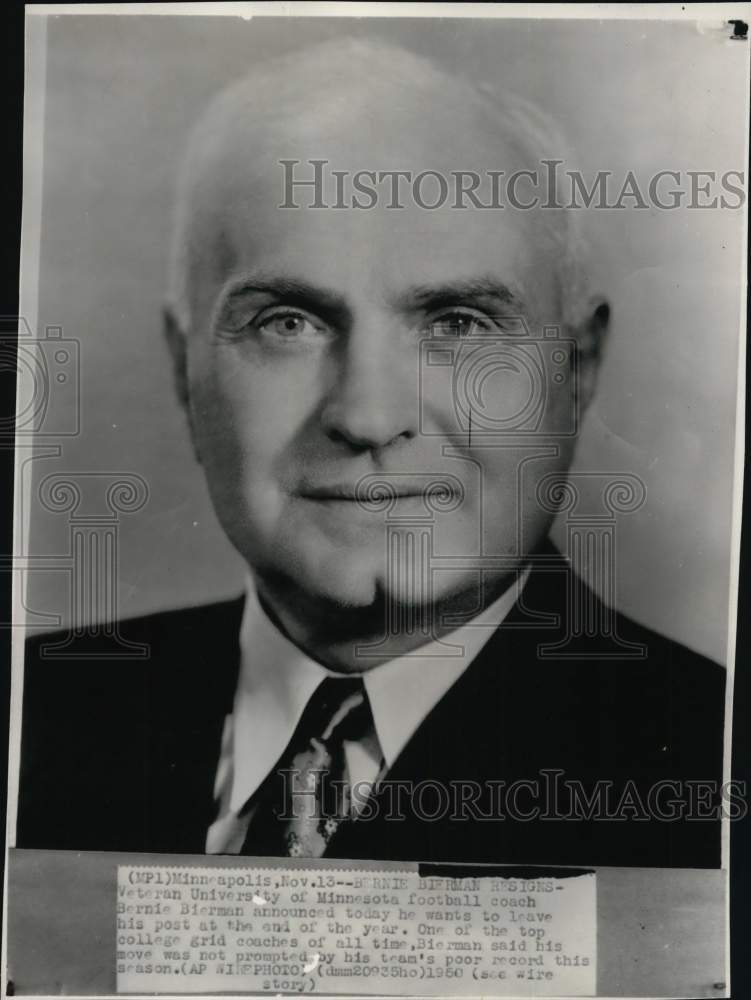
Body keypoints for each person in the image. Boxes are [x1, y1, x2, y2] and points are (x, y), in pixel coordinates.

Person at [17, 38, 725, 867]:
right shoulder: (30, 719)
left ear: (575, 370)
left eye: (458, 324)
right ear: (184, 366)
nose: (366, 415)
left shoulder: (706, 754)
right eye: (288, 323)